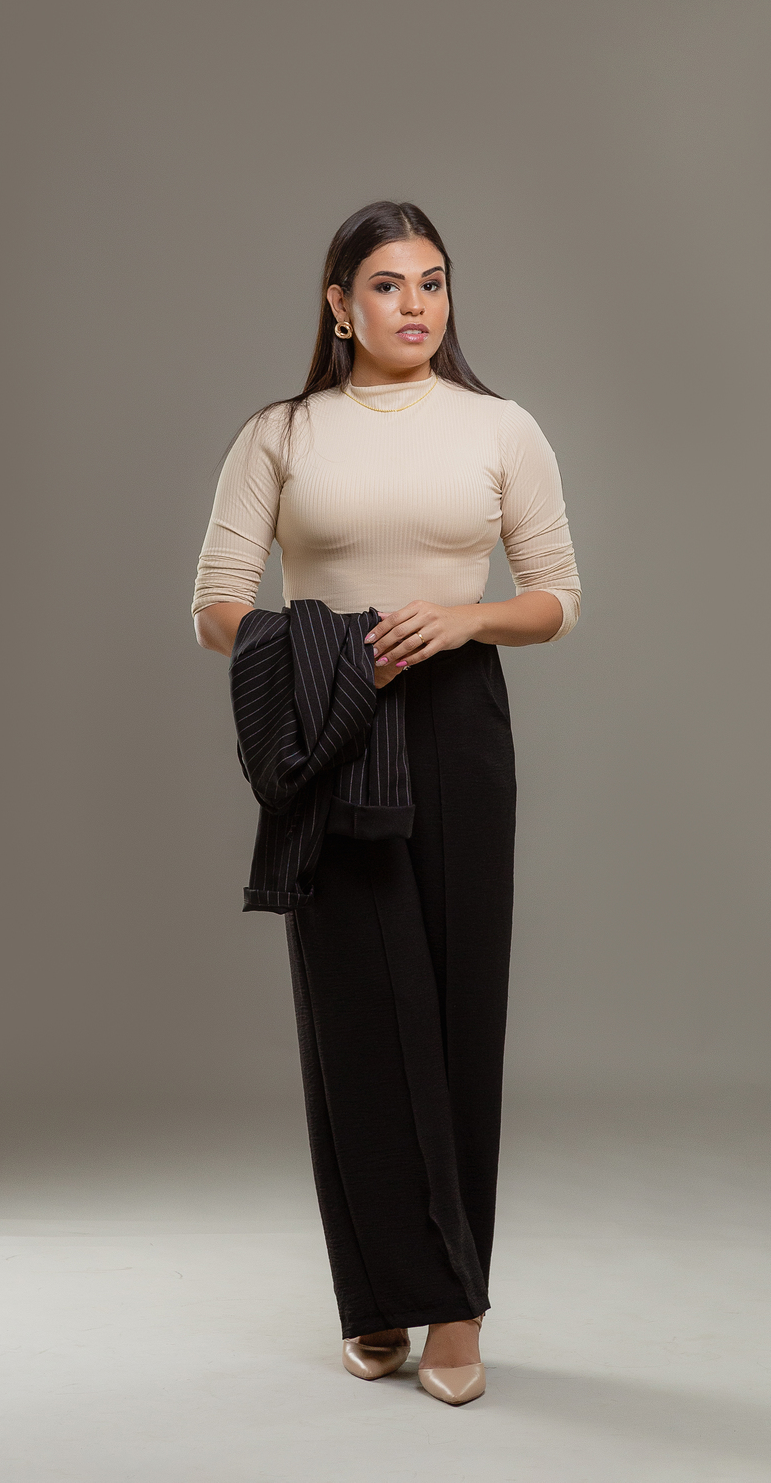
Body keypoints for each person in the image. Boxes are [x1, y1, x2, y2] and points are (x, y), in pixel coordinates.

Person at [192, 200, 580, 1405]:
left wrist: (467, 618)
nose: (416, 305)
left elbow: (558, 597)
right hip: (333, 722)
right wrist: (328, 653)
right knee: (357, 1019)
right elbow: (216, 605)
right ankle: (376, 1300)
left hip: (458, 723)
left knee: (459, 1011)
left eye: (434, 282)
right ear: (339, 304)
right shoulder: (280, 434)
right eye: (388, 285)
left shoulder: (502, 428)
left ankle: (455, 1310)